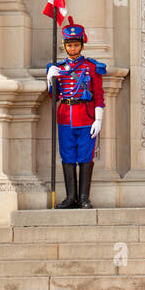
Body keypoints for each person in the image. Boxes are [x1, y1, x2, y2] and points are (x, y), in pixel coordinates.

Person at [46, 18, 106, 208]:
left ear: (81, 45)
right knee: (68, 157)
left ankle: (84, 198)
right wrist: (50, 79)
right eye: (70, 45)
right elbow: (53, 96)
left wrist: (98, 119)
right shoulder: (58, 68)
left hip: (86, 117)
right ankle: (71, 198)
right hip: (65, 117)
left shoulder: (91, 67)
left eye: (76, 45)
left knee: (85, 157)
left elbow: (99, 95)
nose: (73, 48)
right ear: (65, 46)